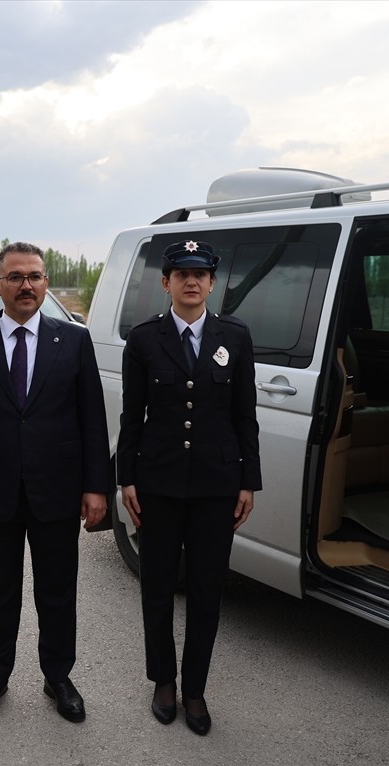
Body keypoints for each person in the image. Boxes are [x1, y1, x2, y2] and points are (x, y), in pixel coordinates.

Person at [0, 241, 110, 724]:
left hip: (57, 490)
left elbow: (92, 420)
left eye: (35, 276)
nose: (26, 285)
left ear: (45, 285)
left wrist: (95, 486)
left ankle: (58, 675)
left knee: (57, 589)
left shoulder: (74, 341)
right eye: (15, 277)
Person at [117, 240, 261, 736]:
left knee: (206, 592)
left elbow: (246, 416)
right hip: (157, 485)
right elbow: (131, 416)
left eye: (200, 274)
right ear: (167, 283)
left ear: (211, 282)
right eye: (182, 274)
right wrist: (126, 478)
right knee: (157, 588)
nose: (192, 282)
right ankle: (162, 679)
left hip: (216, 489)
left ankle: (194, 688)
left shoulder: (235, 337)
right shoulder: (144, 339)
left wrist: (249, 482)